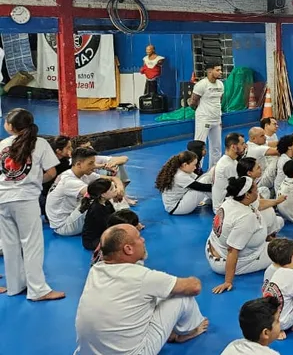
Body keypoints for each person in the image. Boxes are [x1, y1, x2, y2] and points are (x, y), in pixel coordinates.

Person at [76, 224, 208, 354]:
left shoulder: (95, 271)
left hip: (87, 352)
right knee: (181, 297)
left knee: (154, 294)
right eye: (139, 237)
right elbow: (194, 287)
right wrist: (193, 279)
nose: (143, 240)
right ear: (128, 249)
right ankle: (188, 332)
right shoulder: (142, 277)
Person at [0, 109, 64, 300]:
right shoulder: (40, 143)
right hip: (25, 199)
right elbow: (51, 172)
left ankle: (15, 285)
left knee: (10, 244)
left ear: (11, 127)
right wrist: (34, 181)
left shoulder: (2, 144)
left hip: (2, 198)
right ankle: (38, 290)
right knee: (31, 244)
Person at [208, 177, 286, 293]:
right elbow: (232, 250)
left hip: (213, 246)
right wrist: (228, 281)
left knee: (279, 221)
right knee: (287, 252)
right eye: (255, 189)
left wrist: (276, 201)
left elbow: (259, 204)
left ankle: (268, 240)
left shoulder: (231, 200)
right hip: (226, 260)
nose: (257, 190)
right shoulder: (245, 218)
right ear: (247, 195)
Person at [46, 147, 111, 236]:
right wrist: (116, 191)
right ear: (79, 164)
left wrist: (118, 184)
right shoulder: (69, 180)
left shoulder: (82, 173)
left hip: (72, 215)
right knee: (101, 198)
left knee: (107, 192)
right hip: (64, 226)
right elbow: (96, 194)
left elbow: (111, 179)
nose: (94, 166)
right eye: (91, 163)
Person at [155, 150, 213, 215]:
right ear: (185, 165)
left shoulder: (181, 169)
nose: (195, 167)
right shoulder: (180, 176)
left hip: (178, 202)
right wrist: (221, 187)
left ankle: (212, 199)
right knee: (206, 181)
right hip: (177, 207)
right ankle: (218, 204)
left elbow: (199, 178)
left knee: (208, 176)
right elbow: (201, 187)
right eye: (194, 165)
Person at [190, 63, 225, 168]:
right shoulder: (201, 85)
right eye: (217, 70)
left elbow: (219, 100)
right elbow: (193, 102)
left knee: (217, 147)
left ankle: (214, 170)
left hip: (217, 119)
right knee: (199, 146)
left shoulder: (220, 84)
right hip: (204, 119)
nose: (220, 72)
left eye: (220, 70)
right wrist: (203, 112)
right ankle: (196, 170)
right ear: (210, 71)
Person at [40, 134, 72, 220]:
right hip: (43, 195)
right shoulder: (49, 164)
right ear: (58, 151)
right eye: (68, 148)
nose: (71, 150)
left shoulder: (64, 161)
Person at [212, 132, 246, 212]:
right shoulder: (228, 165)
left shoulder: (230, 160)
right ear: (233, 147)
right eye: (242, 144)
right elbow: (239, 189)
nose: (245, 146)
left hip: (224, 203)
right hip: (224, 209)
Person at [81, 179, 118, 251]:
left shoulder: (107, 203)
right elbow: (108, 226)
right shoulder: (96, 209)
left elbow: (114, 217)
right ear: (103, 194)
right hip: (92, 241)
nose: (115, 190)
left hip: (103, 233)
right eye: (111, 189)